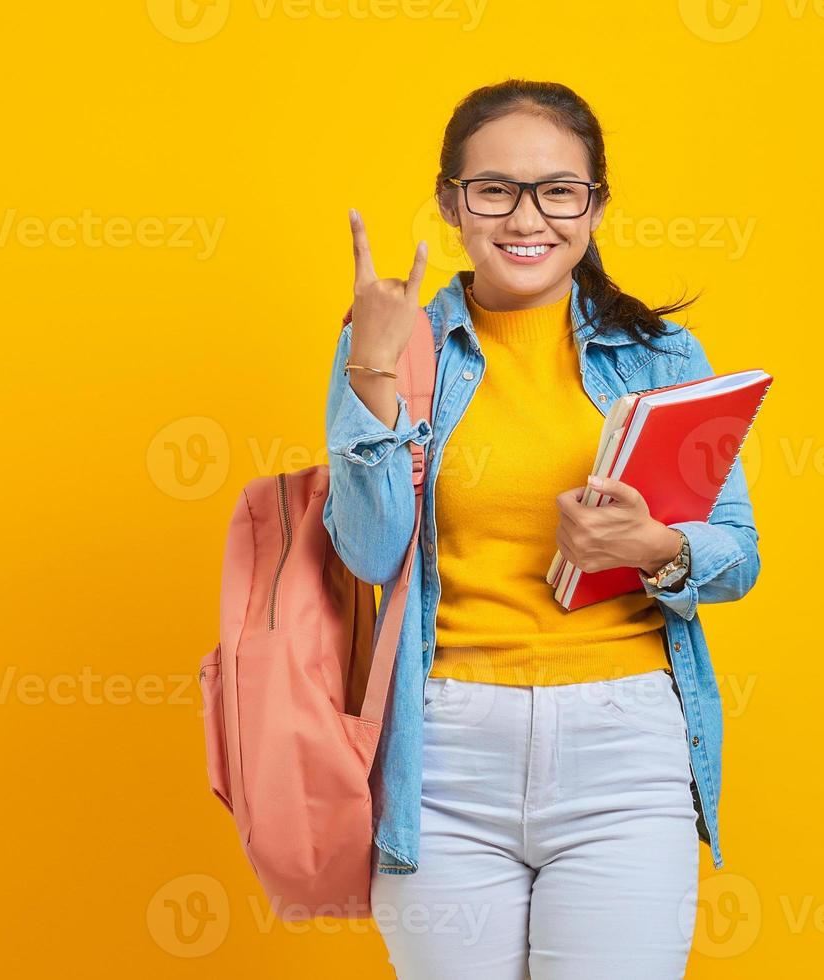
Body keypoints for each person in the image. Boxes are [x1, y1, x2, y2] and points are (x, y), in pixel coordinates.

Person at [323, 78, 762, 979]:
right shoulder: (391, 341)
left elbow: (737, 556)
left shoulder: (663, 356)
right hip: (441, 756)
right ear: (452, 202)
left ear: (594, 205)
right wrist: (370, 369)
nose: (529, 217)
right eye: (496, 190)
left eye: (559, 190)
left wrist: (658, 551)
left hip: (624, 746)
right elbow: (368, 551)